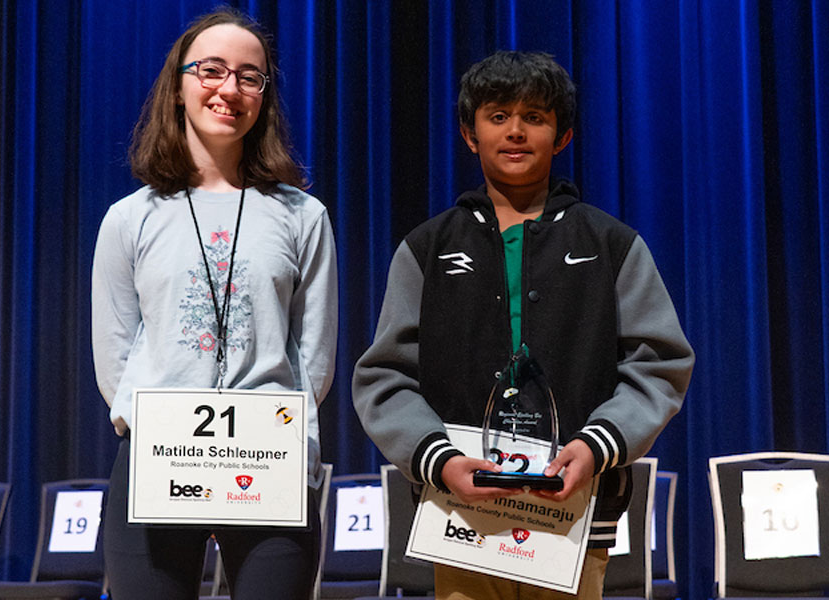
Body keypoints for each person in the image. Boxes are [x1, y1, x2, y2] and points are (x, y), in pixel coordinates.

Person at [352, 51, 693, 600]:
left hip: (574, 516)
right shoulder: (427, 248)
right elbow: (385, 378)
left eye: (535, 117)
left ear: (563, 137)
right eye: (498, 116)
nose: (515, 131)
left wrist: (596, 446)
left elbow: (660, 365)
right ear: (470, 134)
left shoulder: (611, 244)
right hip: (462, 516)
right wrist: (441, 459)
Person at [91, 7, 337, 600]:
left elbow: (314, 354)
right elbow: (115, 353)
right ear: (178, 86)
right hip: (159, 458)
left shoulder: (303, 216)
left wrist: (277, 430)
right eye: (212, 70)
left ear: (264, 97)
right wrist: (160, 426)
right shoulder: (130, 218)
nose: (230, 89)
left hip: (268, 459)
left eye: (250, 77)